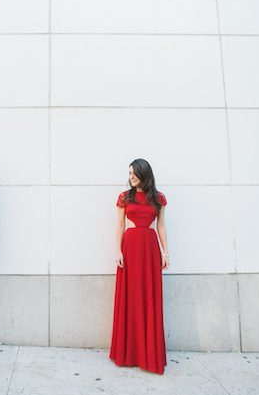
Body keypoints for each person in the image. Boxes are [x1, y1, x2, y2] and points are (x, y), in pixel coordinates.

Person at [110, 159, 169, 375]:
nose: (131, 177)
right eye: (129, 173)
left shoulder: (158, 198)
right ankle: (129, 353)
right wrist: (118, 251)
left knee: (149, 297)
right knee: (130, 297)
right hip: (131, 248)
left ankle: (148, 353)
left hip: (150, 249)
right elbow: (120, 225)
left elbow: (160, 226)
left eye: (134, 173)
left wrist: (165, 252)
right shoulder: (125, 197)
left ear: (145, 174)